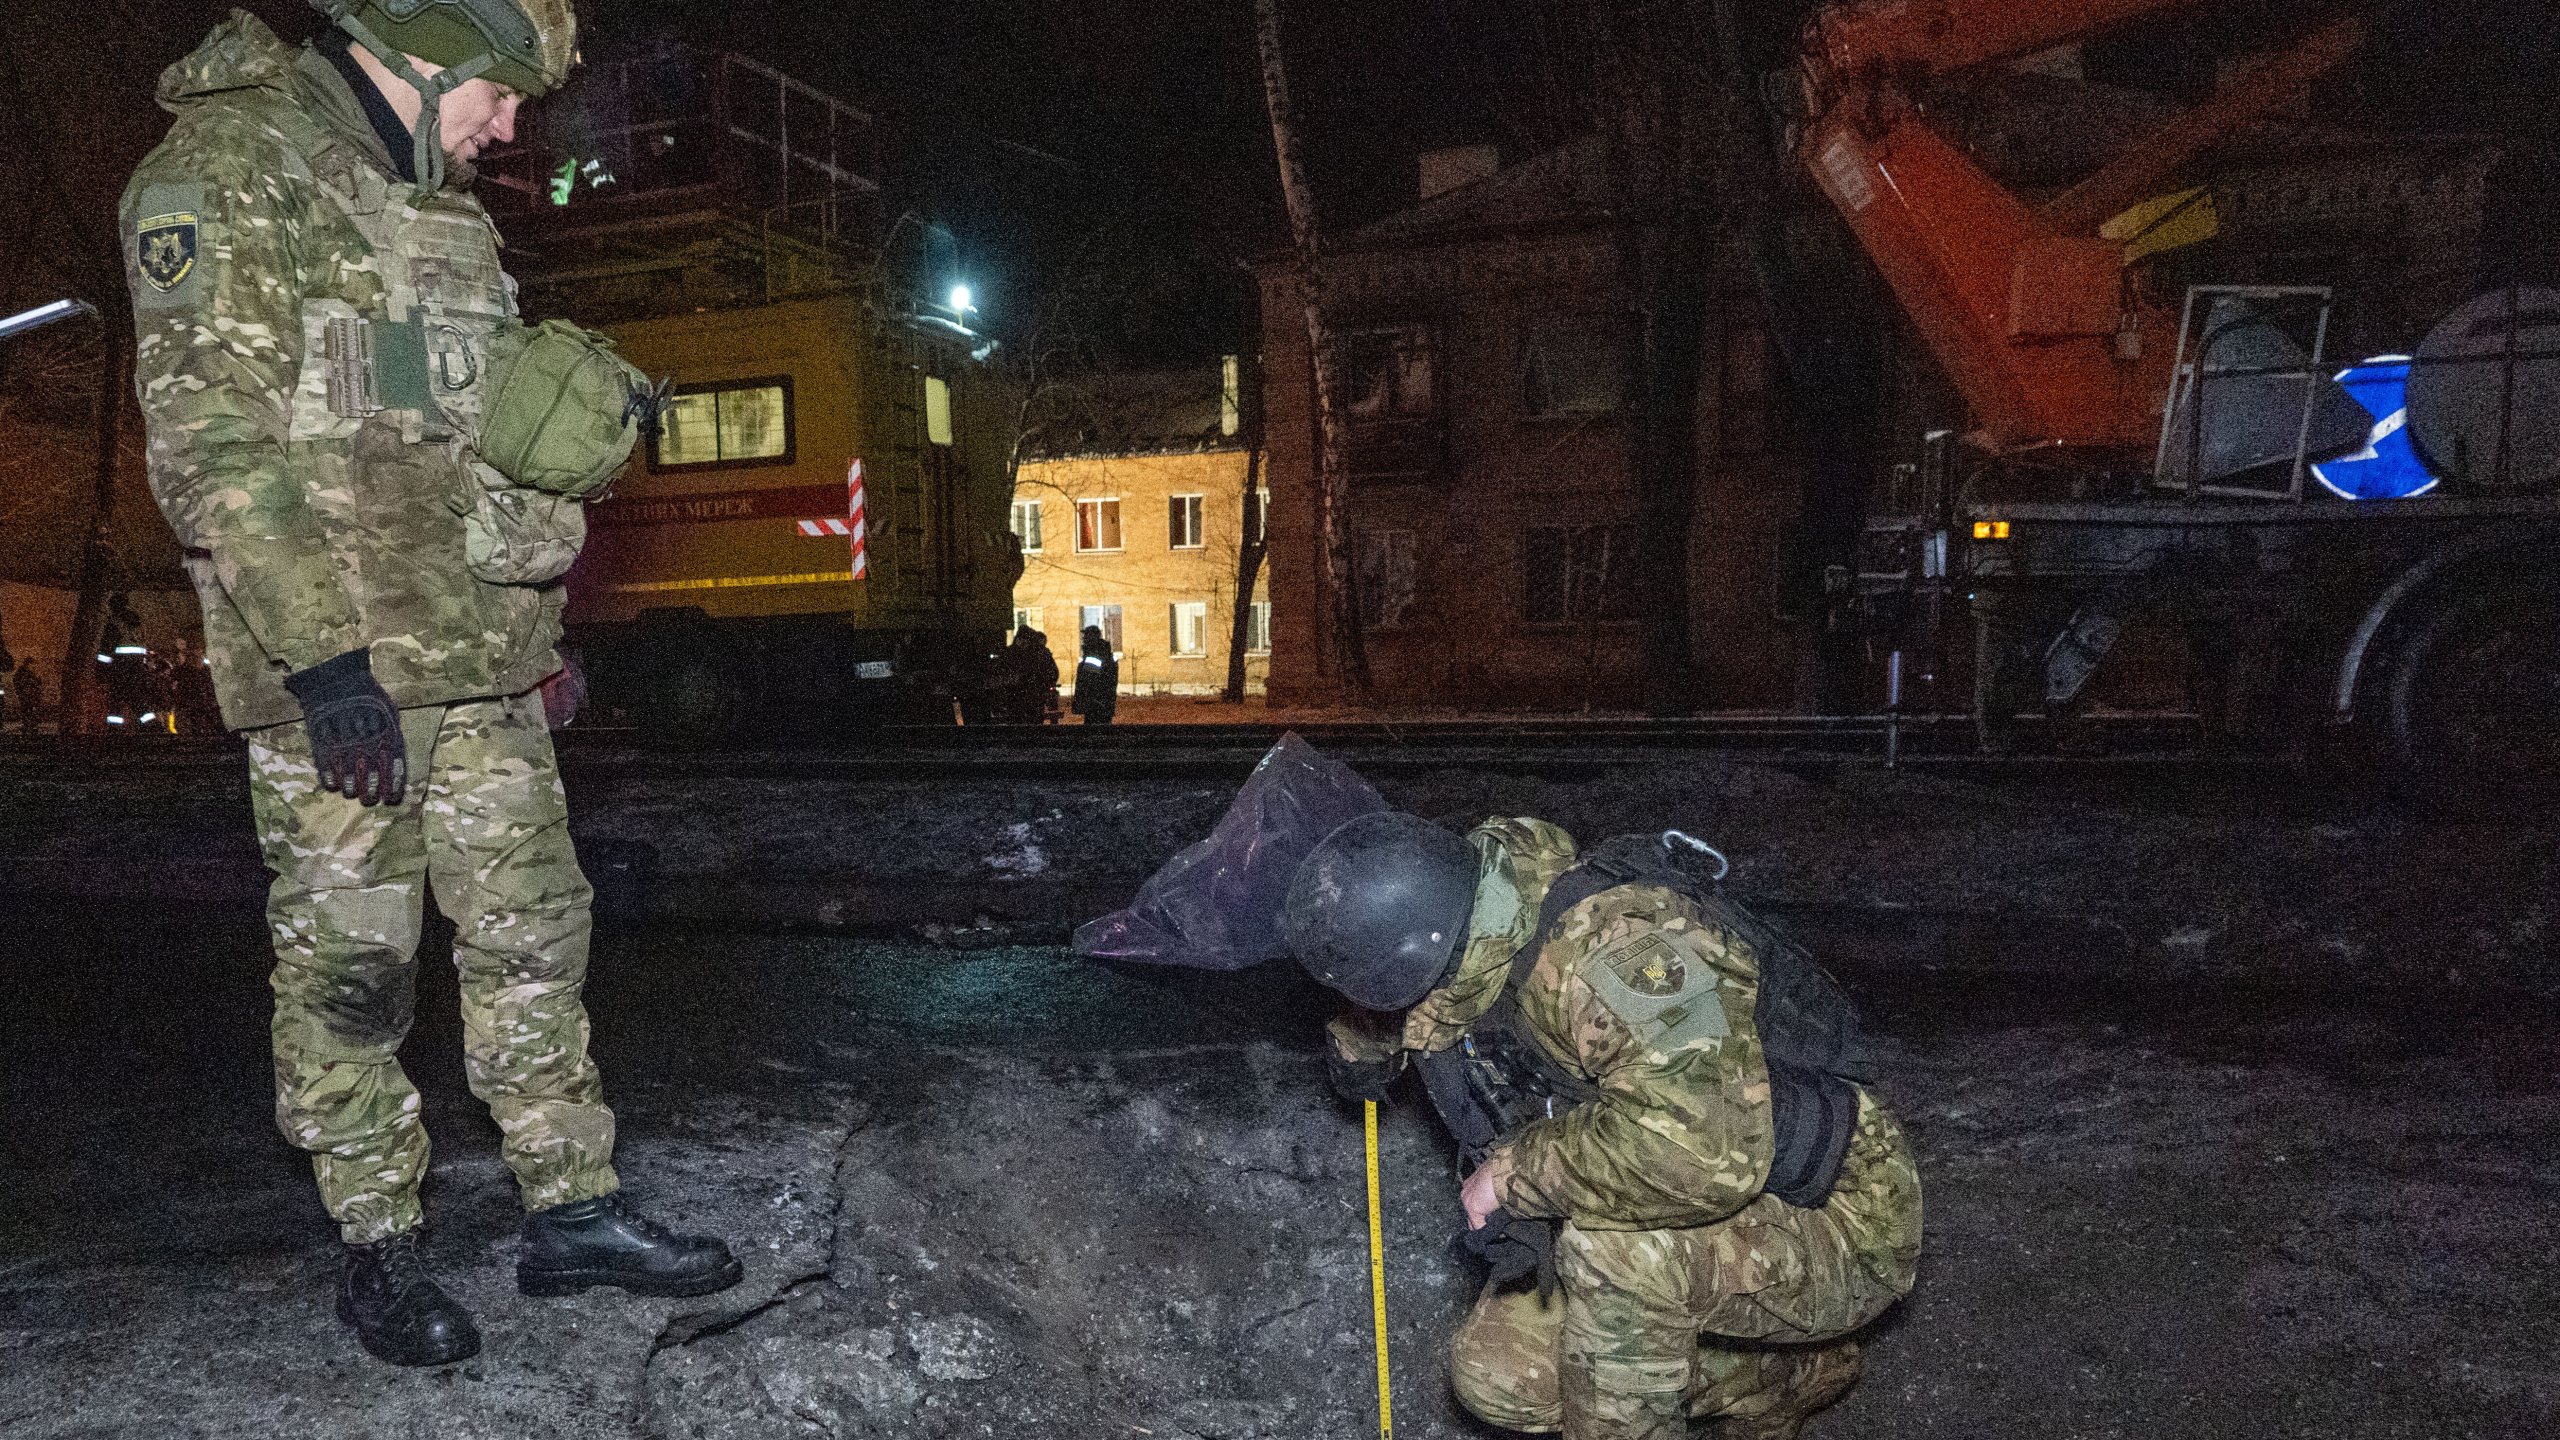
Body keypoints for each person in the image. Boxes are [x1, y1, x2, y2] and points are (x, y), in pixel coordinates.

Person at [121, 0, 738, 1369]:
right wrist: (320, 661)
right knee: (354, 963)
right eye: (500, 92)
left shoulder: (442, 208)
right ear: (416, 47)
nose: (512, 124)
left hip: (481, 660)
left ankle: (572, 1210)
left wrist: (544, 545)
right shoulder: (225, 171)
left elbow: (455, 431)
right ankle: (378, 1249)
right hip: (339, 669)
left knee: (534, 931)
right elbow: (210, 449)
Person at [1286, 814, 1921, 1440]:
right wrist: (1362, 1032)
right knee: (1501, 1374)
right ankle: (1783, 1375)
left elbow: (1704, 1154)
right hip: (1695, 1194)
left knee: (1615, 1257)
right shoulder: (1469, 937)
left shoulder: (1617, 951)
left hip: (1838, 1210)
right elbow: (1415, 1022)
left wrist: (1513, 1175)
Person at [1006, 627, 1061, 724]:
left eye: (1025, 639)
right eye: (1021, 639)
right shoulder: (1011, 653)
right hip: (1020, 701)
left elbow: (1052, 673)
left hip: (1030, 700)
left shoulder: (1039, 653)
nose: (1023, 642)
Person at [1072, 624, 1118, 724]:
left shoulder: (1095, 654)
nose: (1084, 639)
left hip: (1096, 704)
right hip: (1102, 703)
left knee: (1094, 731)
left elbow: (1089, 681)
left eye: (1086, 636)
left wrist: (1084, 701)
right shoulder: (1103, 652)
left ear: (1094, 637)